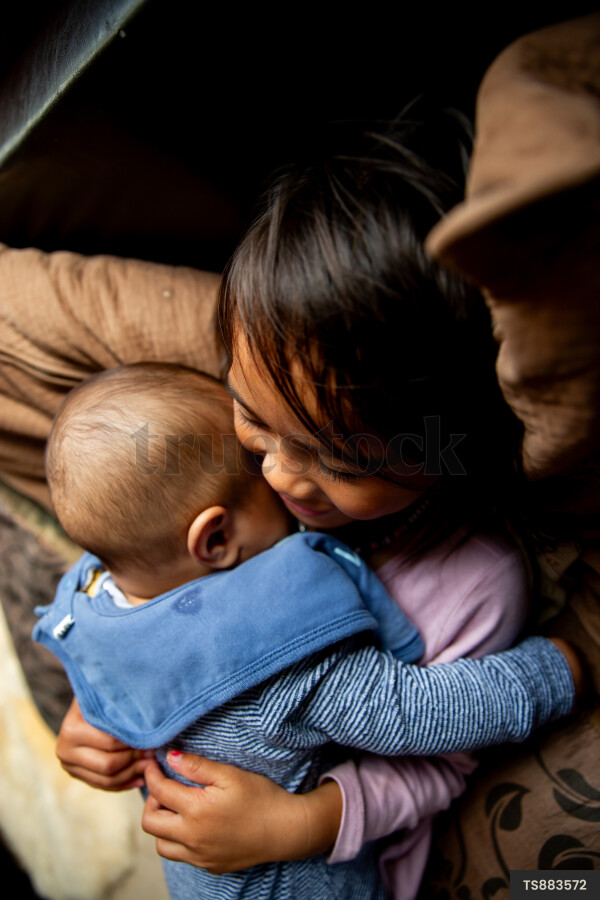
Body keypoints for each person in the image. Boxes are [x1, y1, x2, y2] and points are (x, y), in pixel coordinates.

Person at [53, 112, 582, 900]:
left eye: (341, 460)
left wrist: (302, 825)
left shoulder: (470, 584)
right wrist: (94, 712)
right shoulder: (229, 478)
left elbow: (435, 755)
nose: (286, 481)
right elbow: (132, 587)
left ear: (450, 444)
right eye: (255, 421)